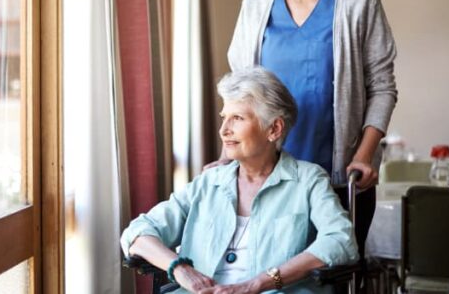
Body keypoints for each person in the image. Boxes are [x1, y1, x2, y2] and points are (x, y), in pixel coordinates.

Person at [210, 0, 397, 261]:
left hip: (339, 179)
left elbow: (383, 87)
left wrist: (363, 156)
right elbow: (239, 93)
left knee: (330, 277)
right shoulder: (255, 5)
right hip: (264, 178)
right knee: (267, 277)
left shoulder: (359, 2)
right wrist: (226, 155)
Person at [121, 67, 358, 293]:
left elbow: (340, 240)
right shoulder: (208, 183)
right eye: (224, 117)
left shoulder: (308, 180)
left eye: (237, 118)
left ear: (274, 129)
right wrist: (180, 268)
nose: (224, 129)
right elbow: (138, 232)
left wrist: (257, 284)